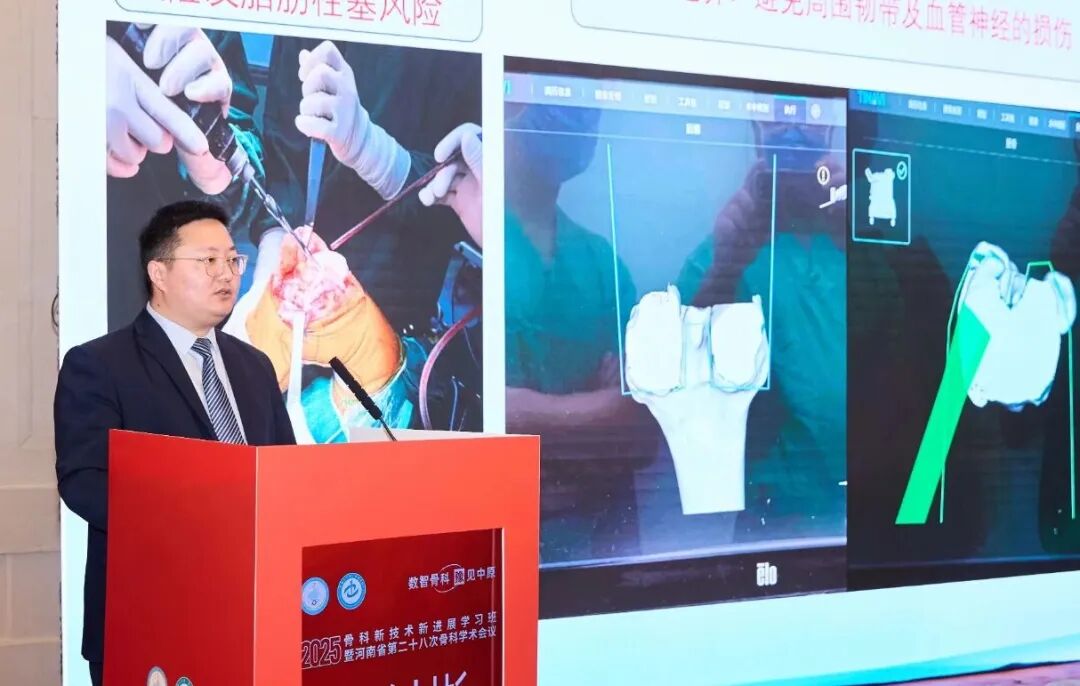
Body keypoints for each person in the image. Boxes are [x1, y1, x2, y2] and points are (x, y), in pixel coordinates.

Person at [54, 201, 296, 686]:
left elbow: (286, 474)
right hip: (153, 619)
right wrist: (195, 521)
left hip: (256, 613)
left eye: (232, 260)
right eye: (207, 260)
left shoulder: (255, 366)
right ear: (158, 273)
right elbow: (85, 482)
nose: (226, 273)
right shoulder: (100, 365)